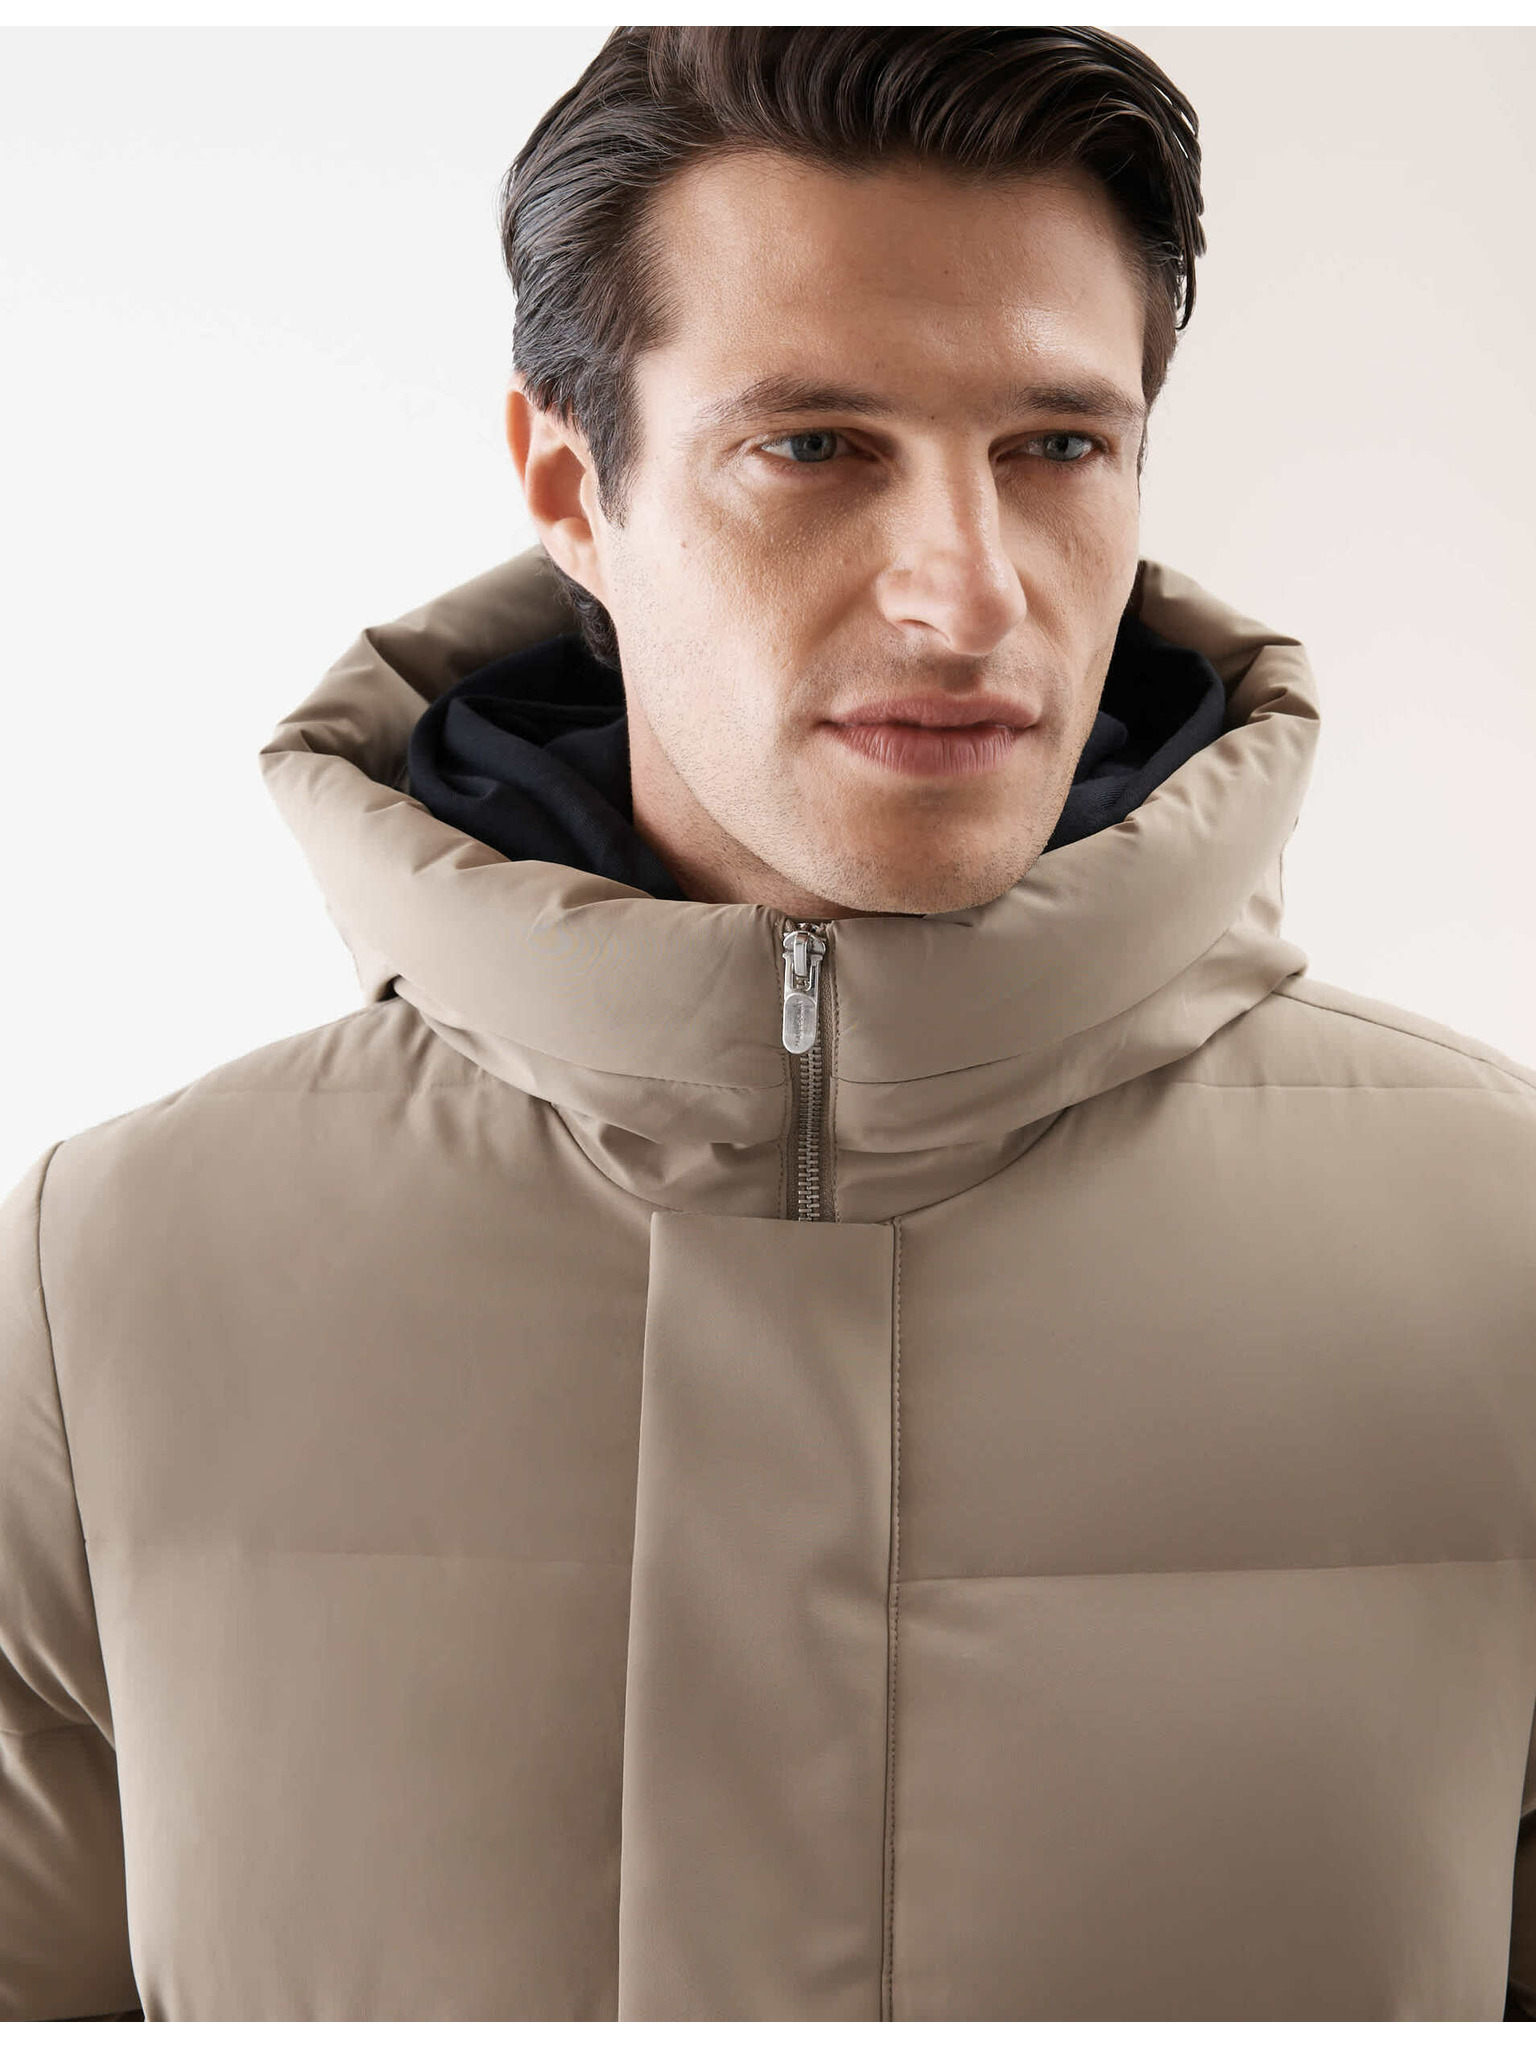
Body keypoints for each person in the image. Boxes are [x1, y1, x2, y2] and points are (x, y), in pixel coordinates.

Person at [2, 26, 1533, 2023]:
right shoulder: (107, 1287)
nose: (964, 595)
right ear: (574, 485)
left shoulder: (1506, 1258)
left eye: (1056, 448)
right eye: (815, 446)